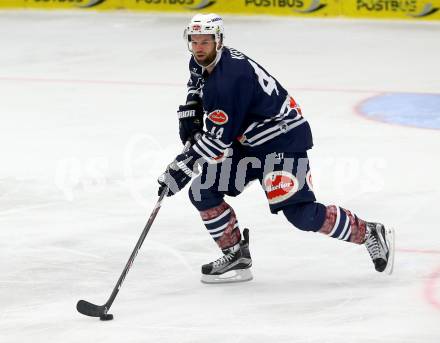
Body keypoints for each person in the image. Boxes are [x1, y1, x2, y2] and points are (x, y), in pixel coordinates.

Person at [158, 13, 395, 284]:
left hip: (282, 142)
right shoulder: (203, 62)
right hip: (247, 142)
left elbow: (216, 142)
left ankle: (369, 232)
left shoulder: (228, 81)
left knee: (302, 215)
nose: (199, 48)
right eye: (195, 42)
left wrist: (182, 167)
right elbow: (197, 83)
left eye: (206, 42)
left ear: (219, 41)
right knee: (203, 191)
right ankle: (236, 254)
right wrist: (191, 107)